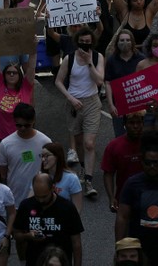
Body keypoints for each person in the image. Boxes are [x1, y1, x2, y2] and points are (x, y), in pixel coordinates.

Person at [116, 130, 158, 266]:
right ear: (142, 161)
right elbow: (122, 216)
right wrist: (120, 247)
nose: (152, 167)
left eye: (156, 163)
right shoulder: (132, 184)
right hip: (140, 249)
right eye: (148, 162)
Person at [55, 27, 105, 199]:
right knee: (79, 140)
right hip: (73, 104)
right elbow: (59, 81)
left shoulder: (98, 57)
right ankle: (84, 168)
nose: (85, 45)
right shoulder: (69, 59)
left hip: (92, 102)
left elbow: (99, 81)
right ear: (77, 42)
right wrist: (70, 98)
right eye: (82, 42)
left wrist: (89, 62)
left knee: (89, 143)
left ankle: (89, 181)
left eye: (88, 41)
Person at [13, 172, 85, 266]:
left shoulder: (67, 207)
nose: (41, 200)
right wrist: (28, 236)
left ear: (53, 188)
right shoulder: (26, 206)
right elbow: (16, 234)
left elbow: (76, 243)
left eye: (44, 196)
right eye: (37, 196)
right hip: (34, 261)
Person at [0, 103, 52, 208]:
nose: (22, 128)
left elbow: (50, 170)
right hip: (14, 202)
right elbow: (2, 175)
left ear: (33, 121)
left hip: (40, 201)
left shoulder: (45, 142)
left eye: (27, 125)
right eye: (18, 125)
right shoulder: (5, 144)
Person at [0, 51, 36, 142]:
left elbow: (32, 66)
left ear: (20, 75)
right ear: (4, 75)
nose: (12, 74)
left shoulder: (26, 86)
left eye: (15, 72)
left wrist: (33, 49)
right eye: (8, 73)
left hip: (21, 136)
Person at [40, 142, 83, 211]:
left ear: (57, 156)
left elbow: (77, 208)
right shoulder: (40, 177)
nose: (43, 159)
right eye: (42, 156)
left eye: (47, 156)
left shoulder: (71, 178)